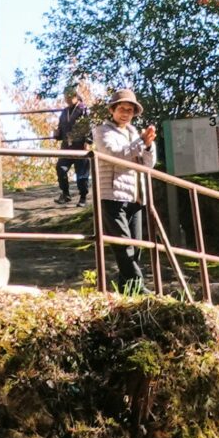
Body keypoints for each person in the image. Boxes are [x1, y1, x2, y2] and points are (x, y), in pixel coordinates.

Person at [94, 88, 154, 292]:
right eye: (122, 108)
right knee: (123, 245)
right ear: (112, 110)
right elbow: (115, 154)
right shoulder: (102, 131)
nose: (125, 113)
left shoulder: (134, 133)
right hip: (112, 195)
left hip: (136, 197)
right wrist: (140, 143)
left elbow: (148, 164)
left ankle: (126, 289)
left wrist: (147, 147)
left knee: (136, 246)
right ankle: (138, 285)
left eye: (130, 110)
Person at [53, 85, 95, 204]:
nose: (67, 99)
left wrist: (88, 141)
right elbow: (61, 130)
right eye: (65, 97)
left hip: (80, 146)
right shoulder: (64, 112)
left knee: (81, 173)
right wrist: (57, 134)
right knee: (60, 168)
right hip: (66, 146)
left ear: (76, 96)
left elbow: (89, 126)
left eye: (70, 96)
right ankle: (65, 193)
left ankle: (83, 197)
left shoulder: (83, 109)